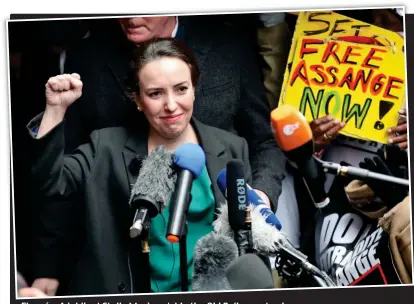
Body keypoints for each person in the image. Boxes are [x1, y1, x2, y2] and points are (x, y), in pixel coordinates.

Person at [30, 16, 286, 295]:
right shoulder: (104, 147)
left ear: (194, 89)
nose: (171, 105)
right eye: (155, 94)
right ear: (138, 100)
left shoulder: (232, 148)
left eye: (181, 89)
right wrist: (54, 111)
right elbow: (51, 184)